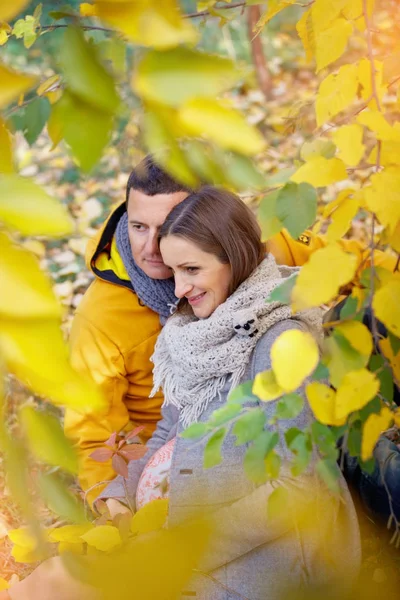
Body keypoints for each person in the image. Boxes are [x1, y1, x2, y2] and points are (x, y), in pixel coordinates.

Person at [65, 156, 397, 510]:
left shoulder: (256, 243)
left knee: (372, 312)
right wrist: (114, 507)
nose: (150, 248)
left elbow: (352, 264)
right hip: (205, 452)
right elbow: (91, 435)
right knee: (353, 450)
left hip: (290, 388)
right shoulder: (102, 318)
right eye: (138, 227)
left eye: (165, 228)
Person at [94, 186, 361, 599]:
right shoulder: (191, 331)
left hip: (274, 559)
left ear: (232, 259)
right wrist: (121, 496)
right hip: (187, 521)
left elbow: (298, 489)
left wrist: (181, 547)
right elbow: (170, 430)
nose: (179, 289)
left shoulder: (282, 342)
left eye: (192, 270)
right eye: (174, 270)